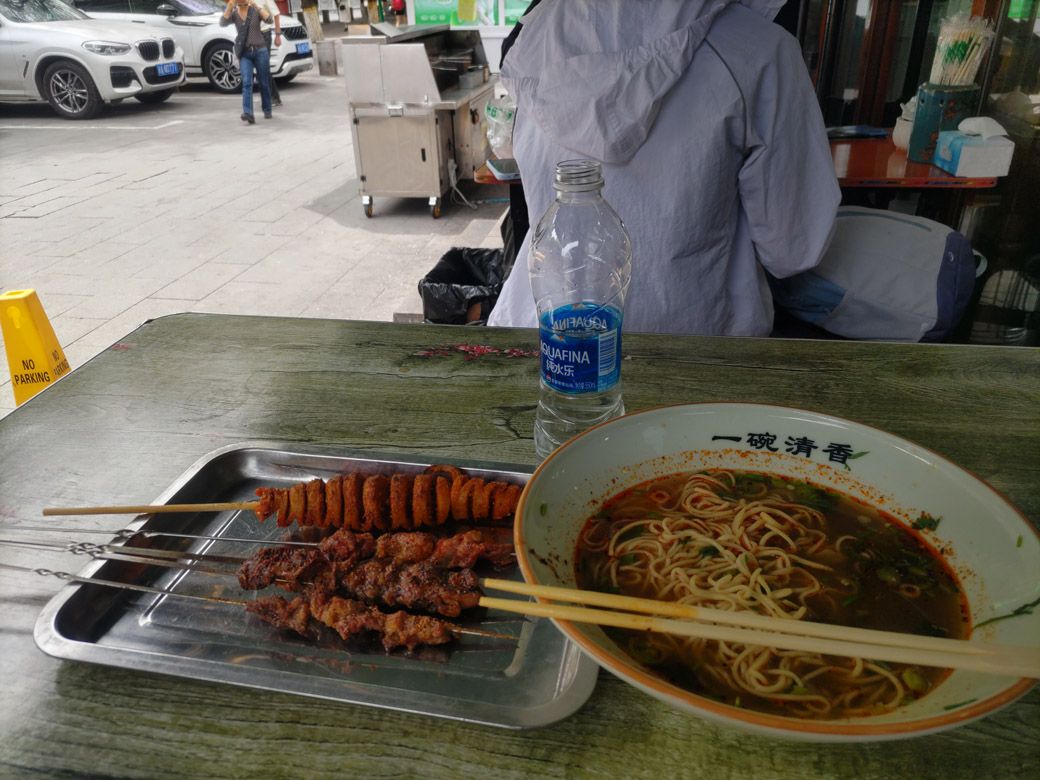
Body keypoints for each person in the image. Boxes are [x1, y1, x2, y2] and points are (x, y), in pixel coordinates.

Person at [486, 0, 841, 337]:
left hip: (544, 336)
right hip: (697, 346)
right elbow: (793, 248)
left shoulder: (532, 40)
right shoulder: (759, 52)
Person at [220, 0, 273, 124]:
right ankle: (248, 113)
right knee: (246, 82)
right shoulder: (234, 13)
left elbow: (269, 20)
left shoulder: (254, 11)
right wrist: (229, 5)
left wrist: (256, 5)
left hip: (260, 50)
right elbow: (222, 23)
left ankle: (267, 109)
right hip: (245, 53)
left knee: (263, 82)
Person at [257, 0, 282, 108]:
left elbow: (276, 14)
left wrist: (277, 35)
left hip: (264, 35)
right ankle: (269, 98)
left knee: (264, 67)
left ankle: (274, 98)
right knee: (259, 69)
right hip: (249, 37)